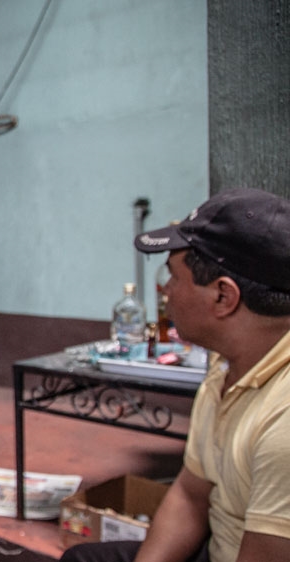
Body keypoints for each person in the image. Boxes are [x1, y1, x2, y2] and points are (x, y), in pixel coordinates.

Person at [61, 188, 290, 562]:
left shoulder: (284, 421)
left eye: (174, 278)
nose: (165, 291)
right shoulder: (228, 363)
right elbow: (190, 495)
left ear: (223, 297)